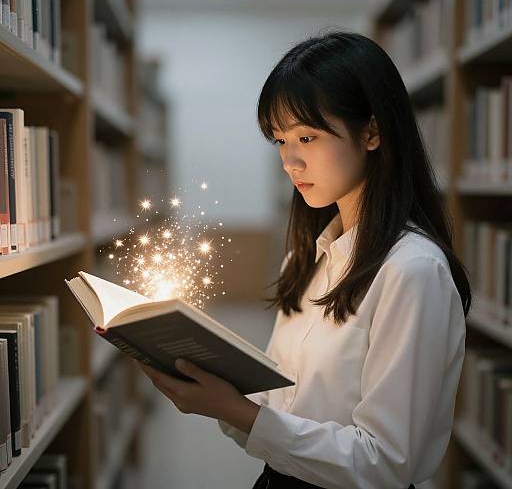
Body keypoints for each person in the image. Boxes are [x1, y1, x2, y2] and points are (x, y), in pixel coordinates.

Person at [137, 30, 470, 489]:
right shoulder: (309, 256)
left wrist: (235, 410)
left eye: (307, 137)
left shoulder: (412, 272)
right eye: (279, 140)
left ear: (372, 132)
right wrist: (219, 387)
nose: (290, 161)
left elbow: (388, 462)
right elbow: (282, 410)